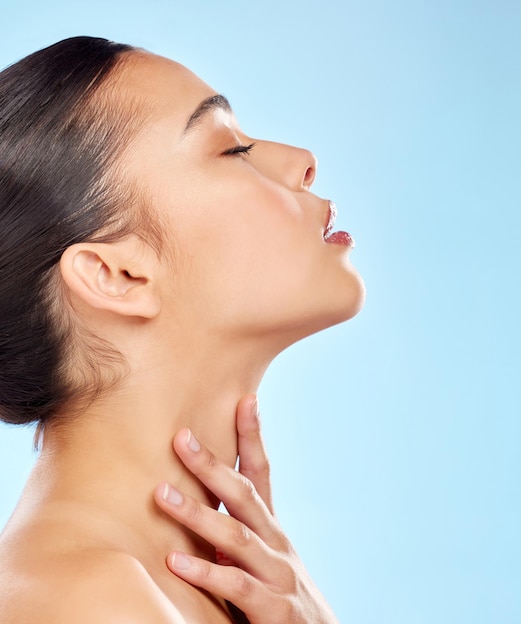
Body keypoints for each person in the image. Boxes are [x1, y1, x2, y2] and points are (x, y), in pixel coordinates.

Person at [0, 36, 364, 623]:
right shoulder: (86, 601)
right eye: (231, 149)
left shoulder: (195, 592)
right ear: (116, 274)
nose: (301, 160)